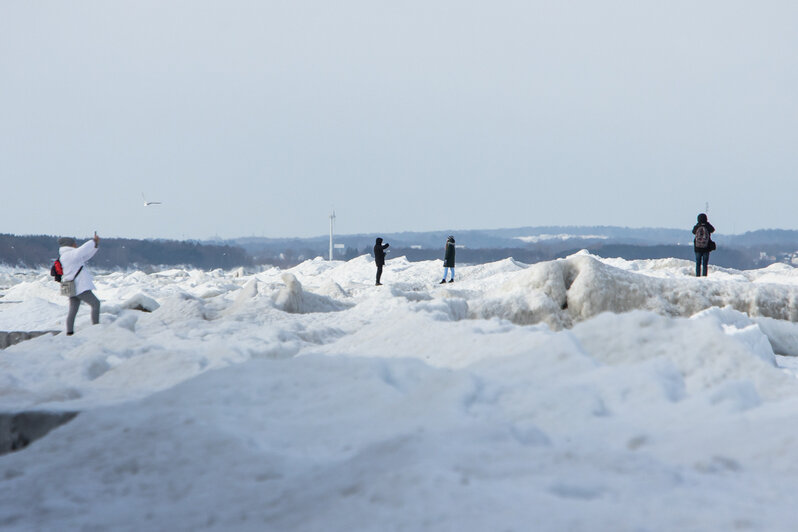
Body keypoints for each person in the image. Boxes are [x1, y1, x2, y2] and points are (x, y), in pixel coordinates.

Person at [59, 232, 101, 335]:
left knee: (73, 310)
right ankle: (96, 328)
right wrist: (93, 241)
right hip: (79, 286)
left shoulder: (68, 255)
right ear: (70, 245)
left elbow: (86, 256)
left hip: (72, 286)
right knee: (96, 303)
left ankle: (69, 332)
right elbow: (83, 250)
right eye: (74, 243)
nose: (76, 244)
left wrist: (95, 246)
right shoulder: (70, 254)